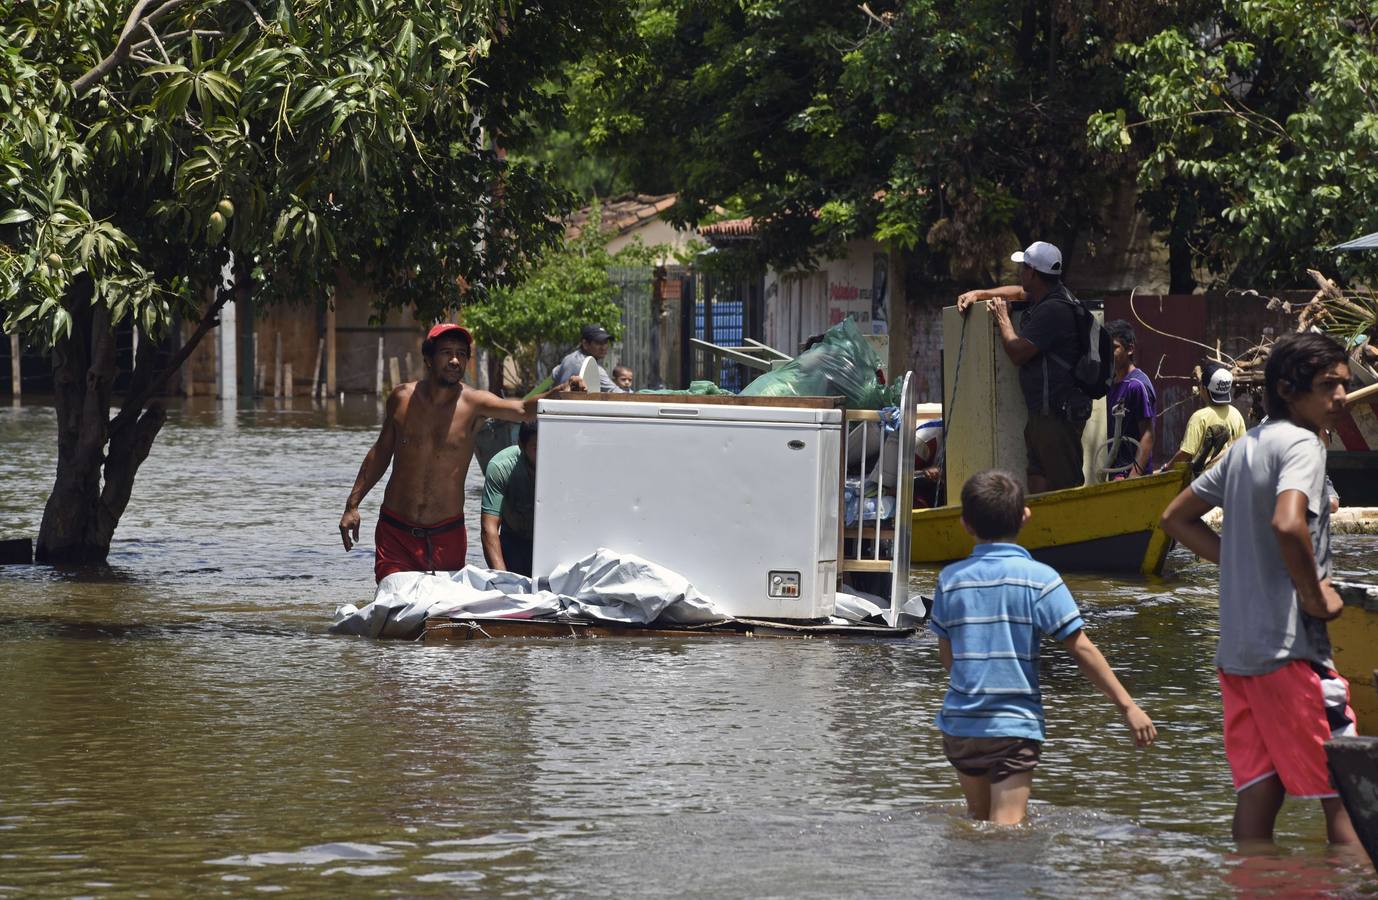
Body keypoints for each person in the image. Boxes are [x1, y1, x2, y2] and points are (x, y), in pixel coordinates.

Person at [1160, 332, 1357, 845]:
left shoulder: (1248, 445)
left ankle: (1254, 883)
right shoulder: (1303, 445)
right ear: (1290, 389)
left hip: (1238, 659)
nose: (1340, 396)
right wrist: (1315, 595)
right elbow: (1289, 523)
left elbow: (1175, 518)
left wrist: (1239, 562)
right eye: (1327, 386)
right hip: (1293, 654)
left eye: (1344, 384)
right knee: (1348, 799)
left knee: (1258, 795)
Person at [928, 469, 1157, 825]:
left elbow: (948, 657)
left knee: (976, 821)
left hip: (961, 725)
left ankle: (965, 881)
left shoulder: (950, 580)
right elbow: (1081, 648)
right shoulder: (1041, 580)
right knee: (1006, 829)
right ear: (1025, 516)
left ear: (965, 525)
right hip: (1013, 725)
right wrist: (1128, 707)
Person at [339, 323, 582, 582]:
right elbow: (381, 452)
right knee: (393, 600)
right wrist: (352, 505)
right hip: (397, 530)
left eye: (462, 354)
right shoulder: (402, 399)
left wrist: (559, 392)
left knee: (443, 616)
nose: (455, 360)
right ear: (428, 359)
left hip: (446, 534)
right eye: (446, 352)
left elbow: (522, 409)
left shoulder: (474, 404)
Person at [957, 241, 1089, 493]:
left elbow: (1017, 352)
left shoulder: (1054, 310)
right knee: (1038, 478)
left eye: (1023, 268)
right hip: (1043, 414)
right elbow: (1018, 292)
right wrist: (979, 293)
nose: (1020, 273)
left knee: (1064, 489)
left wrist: (1004, 319)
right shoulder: (1047, 296)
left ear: (1033, 273)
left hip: (1058, 417)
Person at [1159, 362, 1246, 473]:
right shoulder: (1236, 414)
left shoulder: (1199, 417)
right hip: (1230, 479)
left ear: (1203, 389)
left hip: (1204, 481)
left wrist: (1167, 468)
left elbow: (1186, 453)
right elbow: (1242, 447)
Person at [480, 420, 538, 576]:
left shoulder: (564, 466)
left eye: (549, 446)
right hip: (514, 541)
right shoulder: (501, 467)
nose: (543, 455)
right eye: (536, 448)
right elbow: (489, 528)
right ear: (521, 445)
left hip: (552, 543)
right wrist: (504, 580)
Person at [1103, 320, 1156, 478]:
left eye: (1114, 348)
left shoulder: (1137, 385)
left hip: (1132, 478)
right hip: (1114, 475)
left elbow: (1148, 435)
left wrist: (1134, 476)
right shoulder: (1110, 383)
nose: (1108, 353)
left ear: (1130, 349)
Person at [552, 324, 619, 392]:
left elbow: (554, 373)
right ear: (585, 344)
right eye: (598, 343)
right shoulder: (592, 369)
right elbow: (617, 392)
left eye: (605, 342)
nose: (604, 347)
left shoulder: (568, 358)